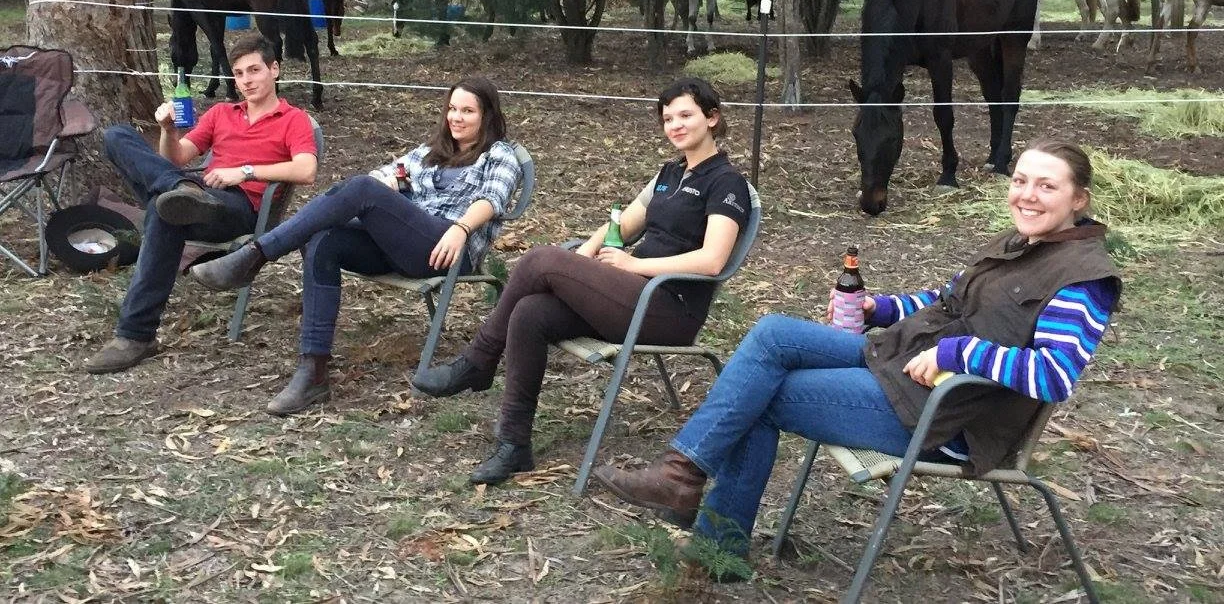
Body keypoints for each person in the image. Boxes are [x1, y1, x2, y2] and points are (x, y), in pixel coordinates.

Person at [592, 138, 1121, 576]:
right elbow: (945, 302)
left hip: (946, 417)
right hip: (901, 364)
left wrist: (960, 353)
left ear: (1079, 200)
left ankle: (714, 544)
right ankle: (684, 474)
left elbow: (1054, 376)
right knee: (774, 334)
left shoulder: (1081, 278)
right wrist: (881, 307)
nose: (1027, 195)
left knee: (761, 396)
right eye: (1020, 180)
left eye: (1046, 186)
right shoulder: (1019, 243)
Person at [412, 77, 752, 486]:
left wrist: (627, 267)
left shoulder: (726, 182)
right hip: (628, 294)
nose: (675, 125)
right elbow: (621, 226)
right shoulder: (668, 174)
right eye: (667, 118)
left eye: (686, 115)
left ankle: (480, 360)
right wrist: (580, 261)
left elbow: (712, 261)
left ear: (712, 118)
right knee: (530, 312)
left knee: (541, 259)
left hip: (668, 307)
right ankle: (513, 444)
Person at [189, 77, 521, 415]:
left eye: (467, 111)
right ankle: (313, 372)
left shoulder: (500, 155)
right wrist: (389, 182)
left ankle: (254, 256)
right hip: (404, 244)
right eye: (452, 109)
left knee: (361, 190)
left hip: (447, 248)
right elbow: (389, 173)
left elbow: (492, 200)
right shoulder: (433, 151)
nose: (456, 117)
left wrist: (462, 228)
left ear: (487, 115)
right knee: (324, 238)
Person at [85, 34, 319, 374]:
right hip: (194, 192)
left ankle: (134, 336)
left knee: (165, 208)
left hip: (239, 208)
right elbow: (177, 157)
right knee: (117, 136)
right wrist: (167, 130)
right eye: (239, 74)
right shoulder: (221, 113)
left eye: (254, 71)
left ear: (275, 70)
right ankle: (177, 193)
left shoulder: (293, 119)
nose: (246, 81)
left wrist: (244, 172)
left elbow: (306, 169)